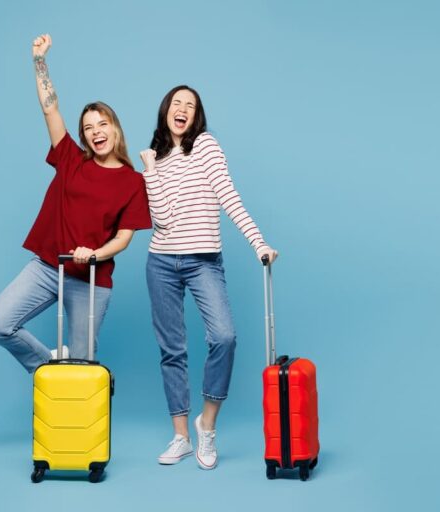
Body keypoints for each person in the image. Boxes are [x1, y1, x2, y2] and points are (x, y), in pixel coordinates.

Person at [0, 34, 151, 371]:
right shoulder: (71, 158)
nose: (96, 131)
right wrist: (39, 61)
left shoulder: (133, 181)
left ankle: (71, 373)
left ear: (115, 130)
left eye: (103, 124)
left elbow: (123, 238)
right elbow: (50, 108)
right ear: (83, 135)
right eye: (88, 127)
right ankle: (52, 367)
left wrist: (95, 254)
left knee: (83, 366)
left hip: (90, 280)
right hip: (48, 268)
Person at [140, 85, 278, 469]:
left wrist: (259, 242)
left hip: (203, 261)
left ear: (196, 115)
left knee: (224, 337)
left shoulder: (205, 146)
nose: (182, 109)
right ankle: (181, 437)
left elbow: (228, 196)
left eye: (191, 105)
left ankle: (207, 425)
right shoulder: (156, 158)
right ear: (166, 110)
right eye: (176, 103)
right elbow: (162, 220)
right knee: (172, 350)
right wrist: (150, 170)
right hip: (161, 262)